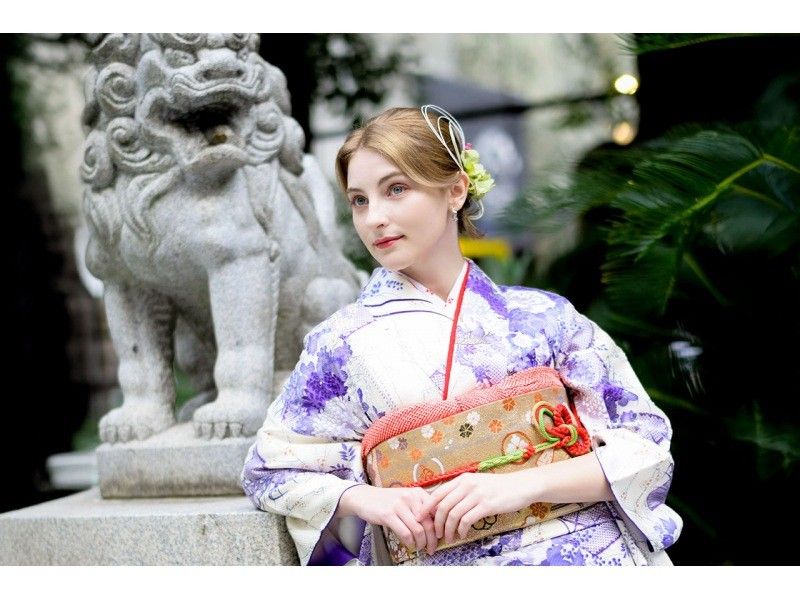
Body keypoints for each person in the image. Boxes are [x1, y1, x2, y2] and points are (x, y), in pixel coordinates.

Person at [241, 105, 683, 566]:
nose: (374, 218)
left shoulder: (546, 318)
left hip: (580, 554)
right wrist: (365, 499)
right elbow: (270, 468)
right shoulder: (338, 344)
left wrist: (514, 487)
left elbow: (645, 445)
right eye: (359, 200)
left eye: (396, 189)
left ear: (455, 190)